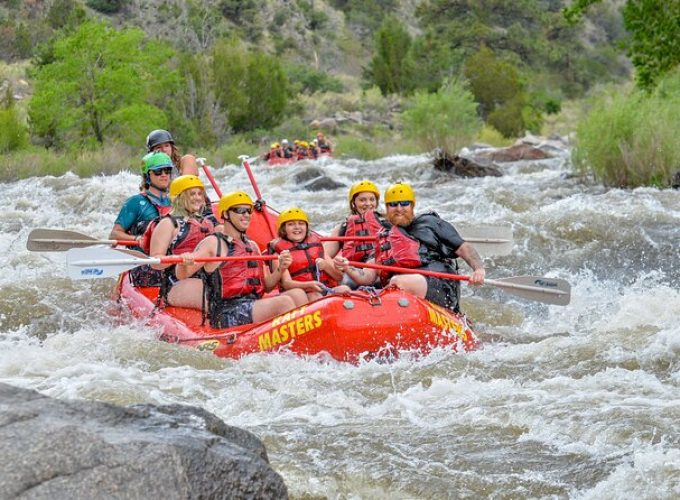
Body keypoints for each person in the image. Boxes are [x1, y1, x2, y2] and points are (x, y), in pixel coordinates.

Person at [334, 182, 485, 313]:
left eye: (404, 203)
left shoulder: (430, 223)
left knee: (400, 282)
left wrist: (478, 269)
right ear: (386, 208)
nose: (399, 208)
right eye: (393, 204)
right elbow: (366, 277)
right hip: (400, 292)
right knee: (347, 289)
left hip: (439, 286)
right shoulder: (383, 238)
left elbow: (463, 248)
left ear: (412, 205)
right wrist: (347, 267)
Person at [175, 191, 308, 328]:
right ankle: (295, 345)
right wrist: (184, 262)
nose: (246, 215)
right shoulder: (214, 243)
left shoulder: (252, 245)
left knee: (298, 294)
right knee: (285, 303)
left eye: (248, 211)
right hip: (226, 311)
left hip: (252, 303)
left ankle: (308, 341)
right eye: (240, 210)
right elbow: (182, 274)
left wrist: (281, 268)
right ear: (226, 214)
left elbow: (267, 286)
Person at [148, 175, 221, 309]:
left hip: (206, 276)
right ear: (179, 197)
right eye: (192, 194)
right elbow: (155, 262)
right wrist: (178, 259)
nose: (198, 198)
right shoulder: (168, 224)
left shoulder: (207, 222)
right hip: (176, 282)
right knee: (217, 299)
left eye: (200, 193)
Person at [109, 151, 173, 286]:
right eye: (158, 171)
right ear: (147, 176)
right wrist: (137, 239)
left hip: (168, 263)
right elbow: (114, 235)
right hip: (143, 265)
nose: (163, 175)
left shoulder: (175, 202)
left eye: (167, 171)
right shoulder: (136, 202)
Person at [268, 208, 350, 302]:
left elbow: (339, 277)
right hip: (302, 293)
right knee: (315, 296)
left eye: (301, 223)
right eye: (291, 224)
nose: (297, 227)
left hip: (325, 289)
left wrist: (326, 266)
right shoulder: (280, 254)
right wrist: (309, 285)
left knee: (344, 289)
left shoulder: (317, 247)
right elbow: (286, 283)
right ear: (283, 229)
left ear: (307, 227)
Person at [323, 180, 389, 288]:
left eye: (372, 199)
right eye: (362, 200)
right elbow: (323, 254)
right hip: (353, 273)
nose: (368, 204)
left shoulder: (387, 223)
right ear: (353, 203)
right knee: (348, 282)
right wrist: (338, 272)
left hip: (378, 271)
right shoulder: (343, 228)